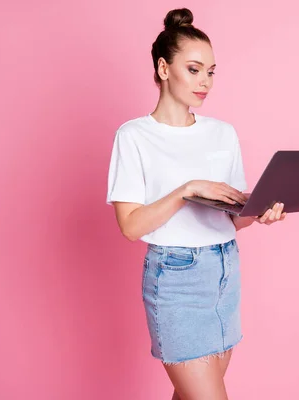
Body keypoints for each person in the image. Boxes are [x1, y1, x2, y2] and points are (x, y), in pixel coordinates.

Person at [106, 8, 286, 400]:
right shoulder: (134, 136)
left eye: (211, 71)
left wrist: (259, 213)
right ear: (164, 68)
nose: (205, 81)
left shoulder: (222, 134)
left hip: (224, 271)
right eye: (194, 69)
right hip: (175, 278)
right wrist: (185, 190)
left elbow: (230, 219)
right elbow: (131, 226)